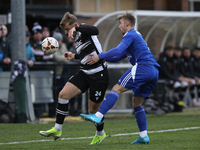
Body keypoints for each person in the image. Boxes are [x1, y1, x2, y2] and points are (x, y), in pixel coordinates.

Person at [80, 13, 160, 144]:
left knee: (117, 88)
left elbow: (117, 50)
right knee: (136, 102)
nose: (119, 27)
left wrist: (99, 57)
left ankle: (98, 116)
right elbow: (117, 56)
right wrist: (99, 57)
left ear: (127, 24)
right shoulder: (136, 36)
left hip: (143, 67)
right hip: (154, 71)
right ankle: (143, 135)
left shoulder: (130, 34)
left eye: (120, 23)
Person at [39, 12, 109, 145]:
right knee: (63, 94)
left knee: (93, 111)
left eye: (67, 29)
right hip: (84, 73)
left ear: (75, 25)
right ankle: (57, 129)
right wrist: (74, 56)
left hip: (99, 75)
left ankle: (100, 134)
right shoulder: (77, 37)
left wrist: (76, 28)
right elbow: (87, 53)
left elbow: (96, 30)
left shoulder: (84, 29)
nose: (66, 33)